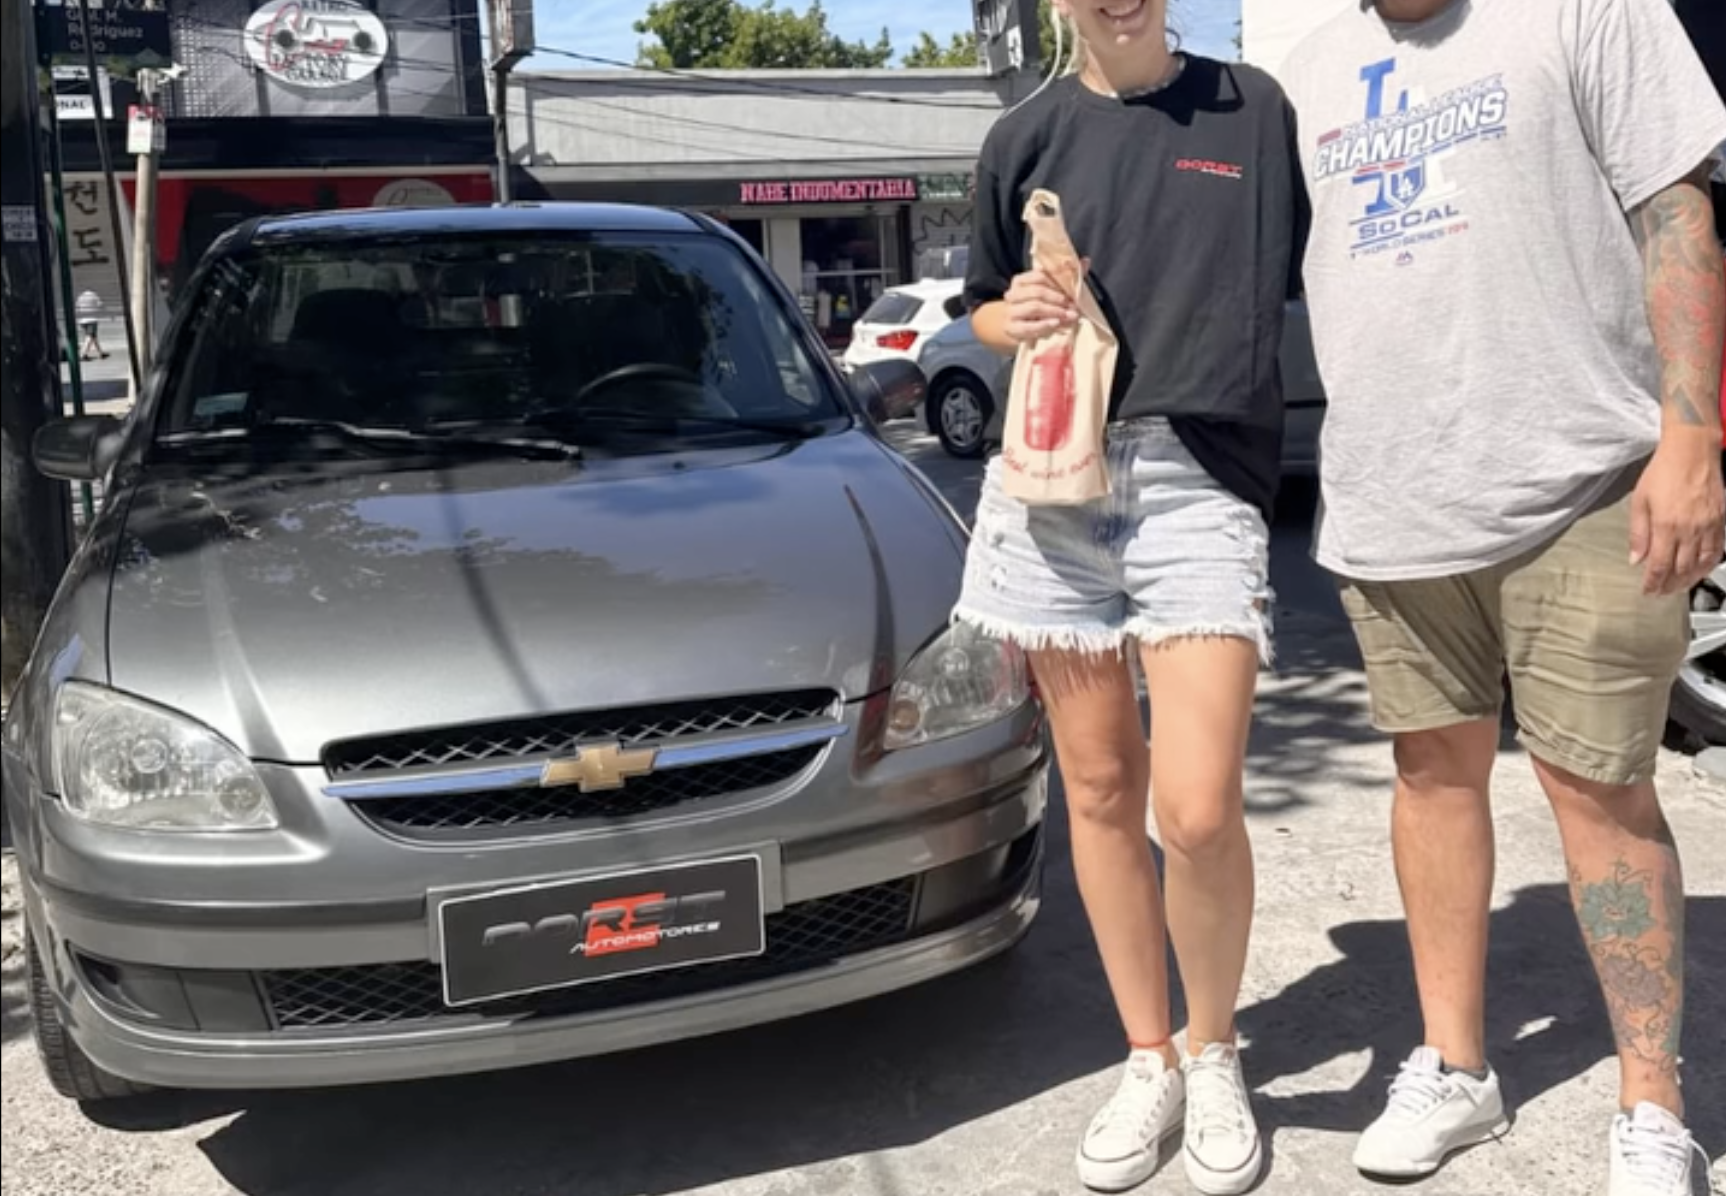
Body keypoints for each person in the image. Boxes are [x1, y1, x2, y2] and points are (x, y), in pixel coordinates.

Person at [1279, 1, 1726, 1192]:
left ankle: (1651, 1100)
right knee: (1431, 775)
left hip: (1580, 483)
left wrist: (1692, 439)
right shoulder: (1310, 69)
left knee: (1601, 791)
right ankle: (1455, 1063)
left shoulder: (1588, 9)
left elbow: (1677, 210)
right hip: (1395, 498)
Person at [954, 1, 1307, 1191]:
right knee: (1100, 785)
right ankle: (1147, 1052)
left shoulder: (1248, 109)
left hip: (1199, 481)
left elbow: (1317, 268)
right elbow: (981, 305)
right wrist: (1022, 313)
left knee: (1196, 806)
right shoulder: (1024, 136)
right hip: (1054, 482)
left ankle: (1217, 1047)